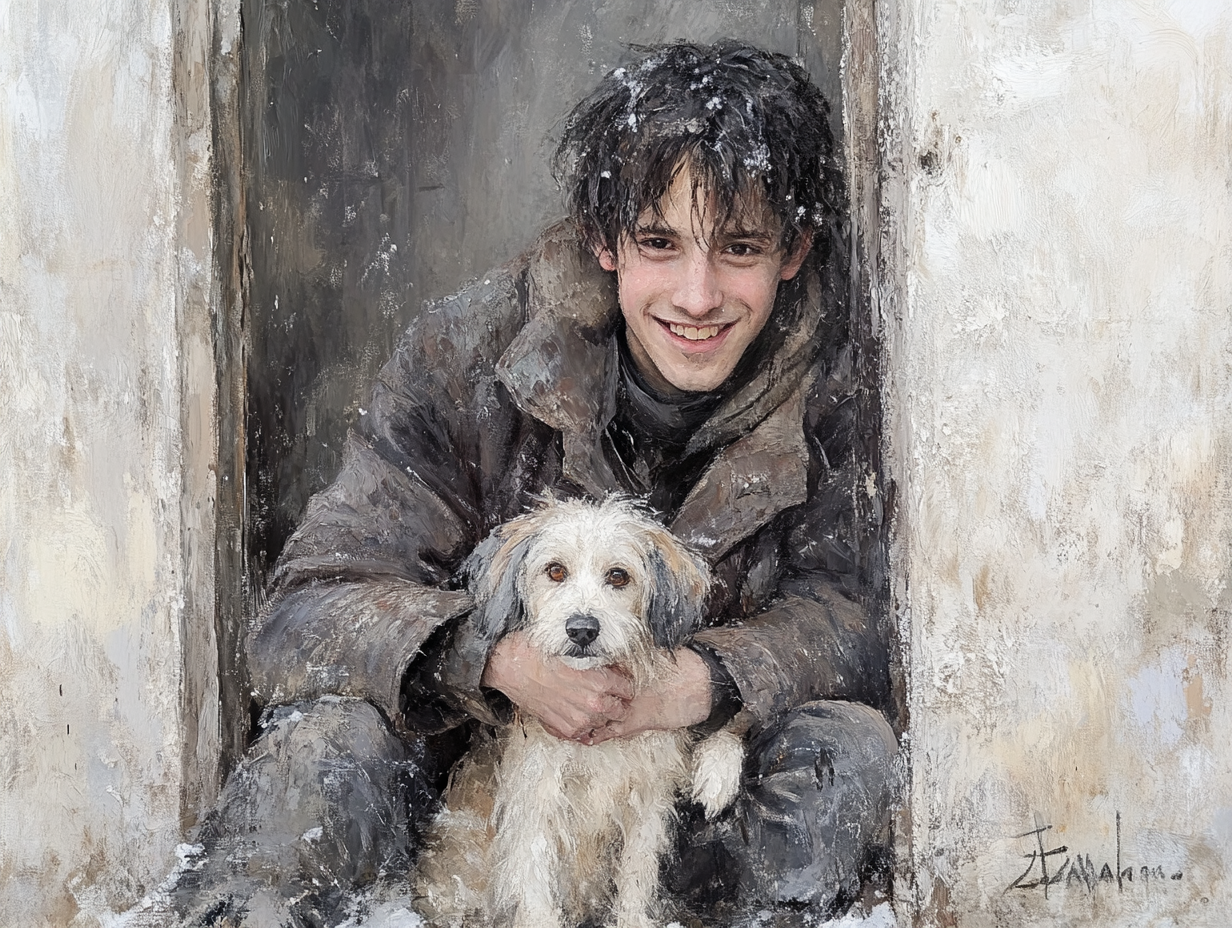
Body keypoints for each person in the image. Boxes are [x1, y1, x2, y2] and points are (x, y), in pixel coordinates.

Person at [177, 40, 898, 928]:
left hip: (683, 805)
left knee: (849, 754)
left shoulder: (838, 379)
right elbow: (306, 609)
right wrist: (498, 662)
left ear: (794, 252)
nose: (699, 294)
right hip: (468, 805)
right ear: (604, 243)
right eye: (659, 244)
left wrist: (698, 681)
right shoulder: (468, 354)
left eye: (741, 247)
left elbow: (859, 616)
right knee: (319, 748)